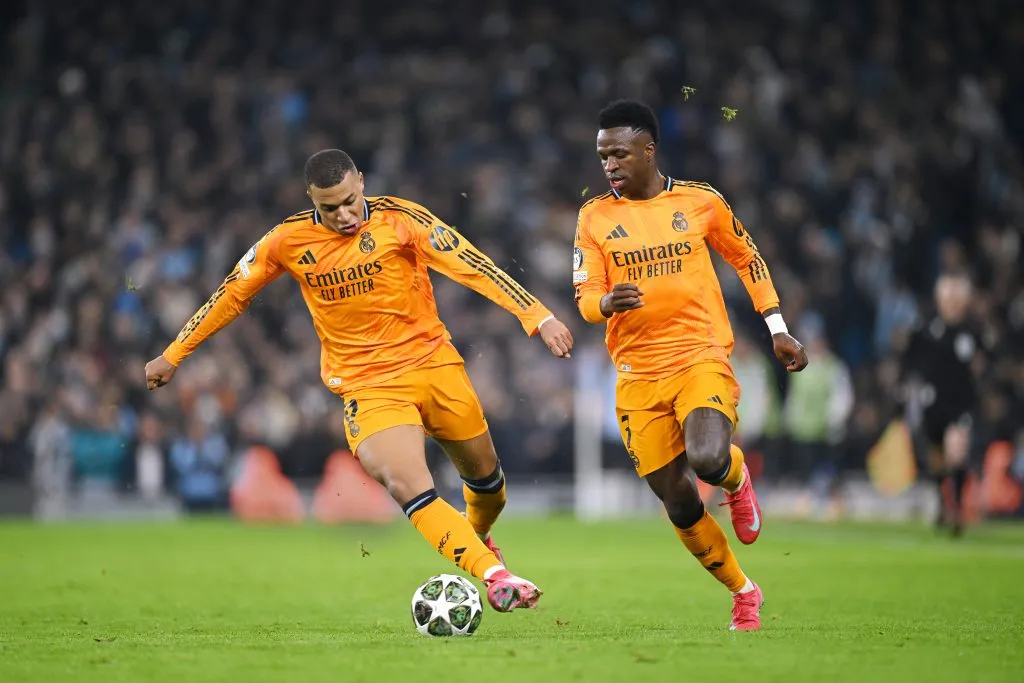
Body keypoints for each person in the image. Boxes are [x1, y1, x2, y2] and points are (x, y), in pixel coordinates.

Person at [145, 149, 574, 612]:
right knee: (404, 480)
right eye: (330, 208)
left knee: (489, 486)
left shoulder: (401, 219)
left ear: (362, 183)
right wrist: (173, 354)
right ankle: (496, 576)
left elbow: (470, 262)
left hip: (435, 367)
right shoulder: (286, 241)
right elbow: (231, 293)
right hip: (368, 386)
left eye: (350, 200)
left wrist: (537, 315)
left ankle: (478, 540)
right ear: (311, 199)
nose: (344, 214)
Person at [572, 100, 808, 631]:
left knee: (705, 458)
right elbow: (585, 297)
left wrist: (776, 328)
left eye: (619, 154)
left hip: (699, 354)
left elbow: (747, 258)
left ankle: (735, 475)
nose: (608, 165)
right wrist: (606, 305)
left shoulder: (701, 201)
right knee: (677, 501)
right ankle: (743, 592)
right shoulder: (594, 217)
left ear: (649, 150)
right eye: (602, 156)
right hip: (636, 376)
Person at [899, 270, 984, 537]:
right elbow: (910, 360)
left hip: (961, 404)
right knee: (937, 459)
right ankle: (941, 500)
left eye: (956, 297)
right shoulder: (927, 329)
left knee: (956, 452)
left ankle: (956, 508)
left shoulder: (972, 331)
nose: (951, 302)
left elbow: (986, 360)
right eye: (947, 297)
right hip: (933, 403)